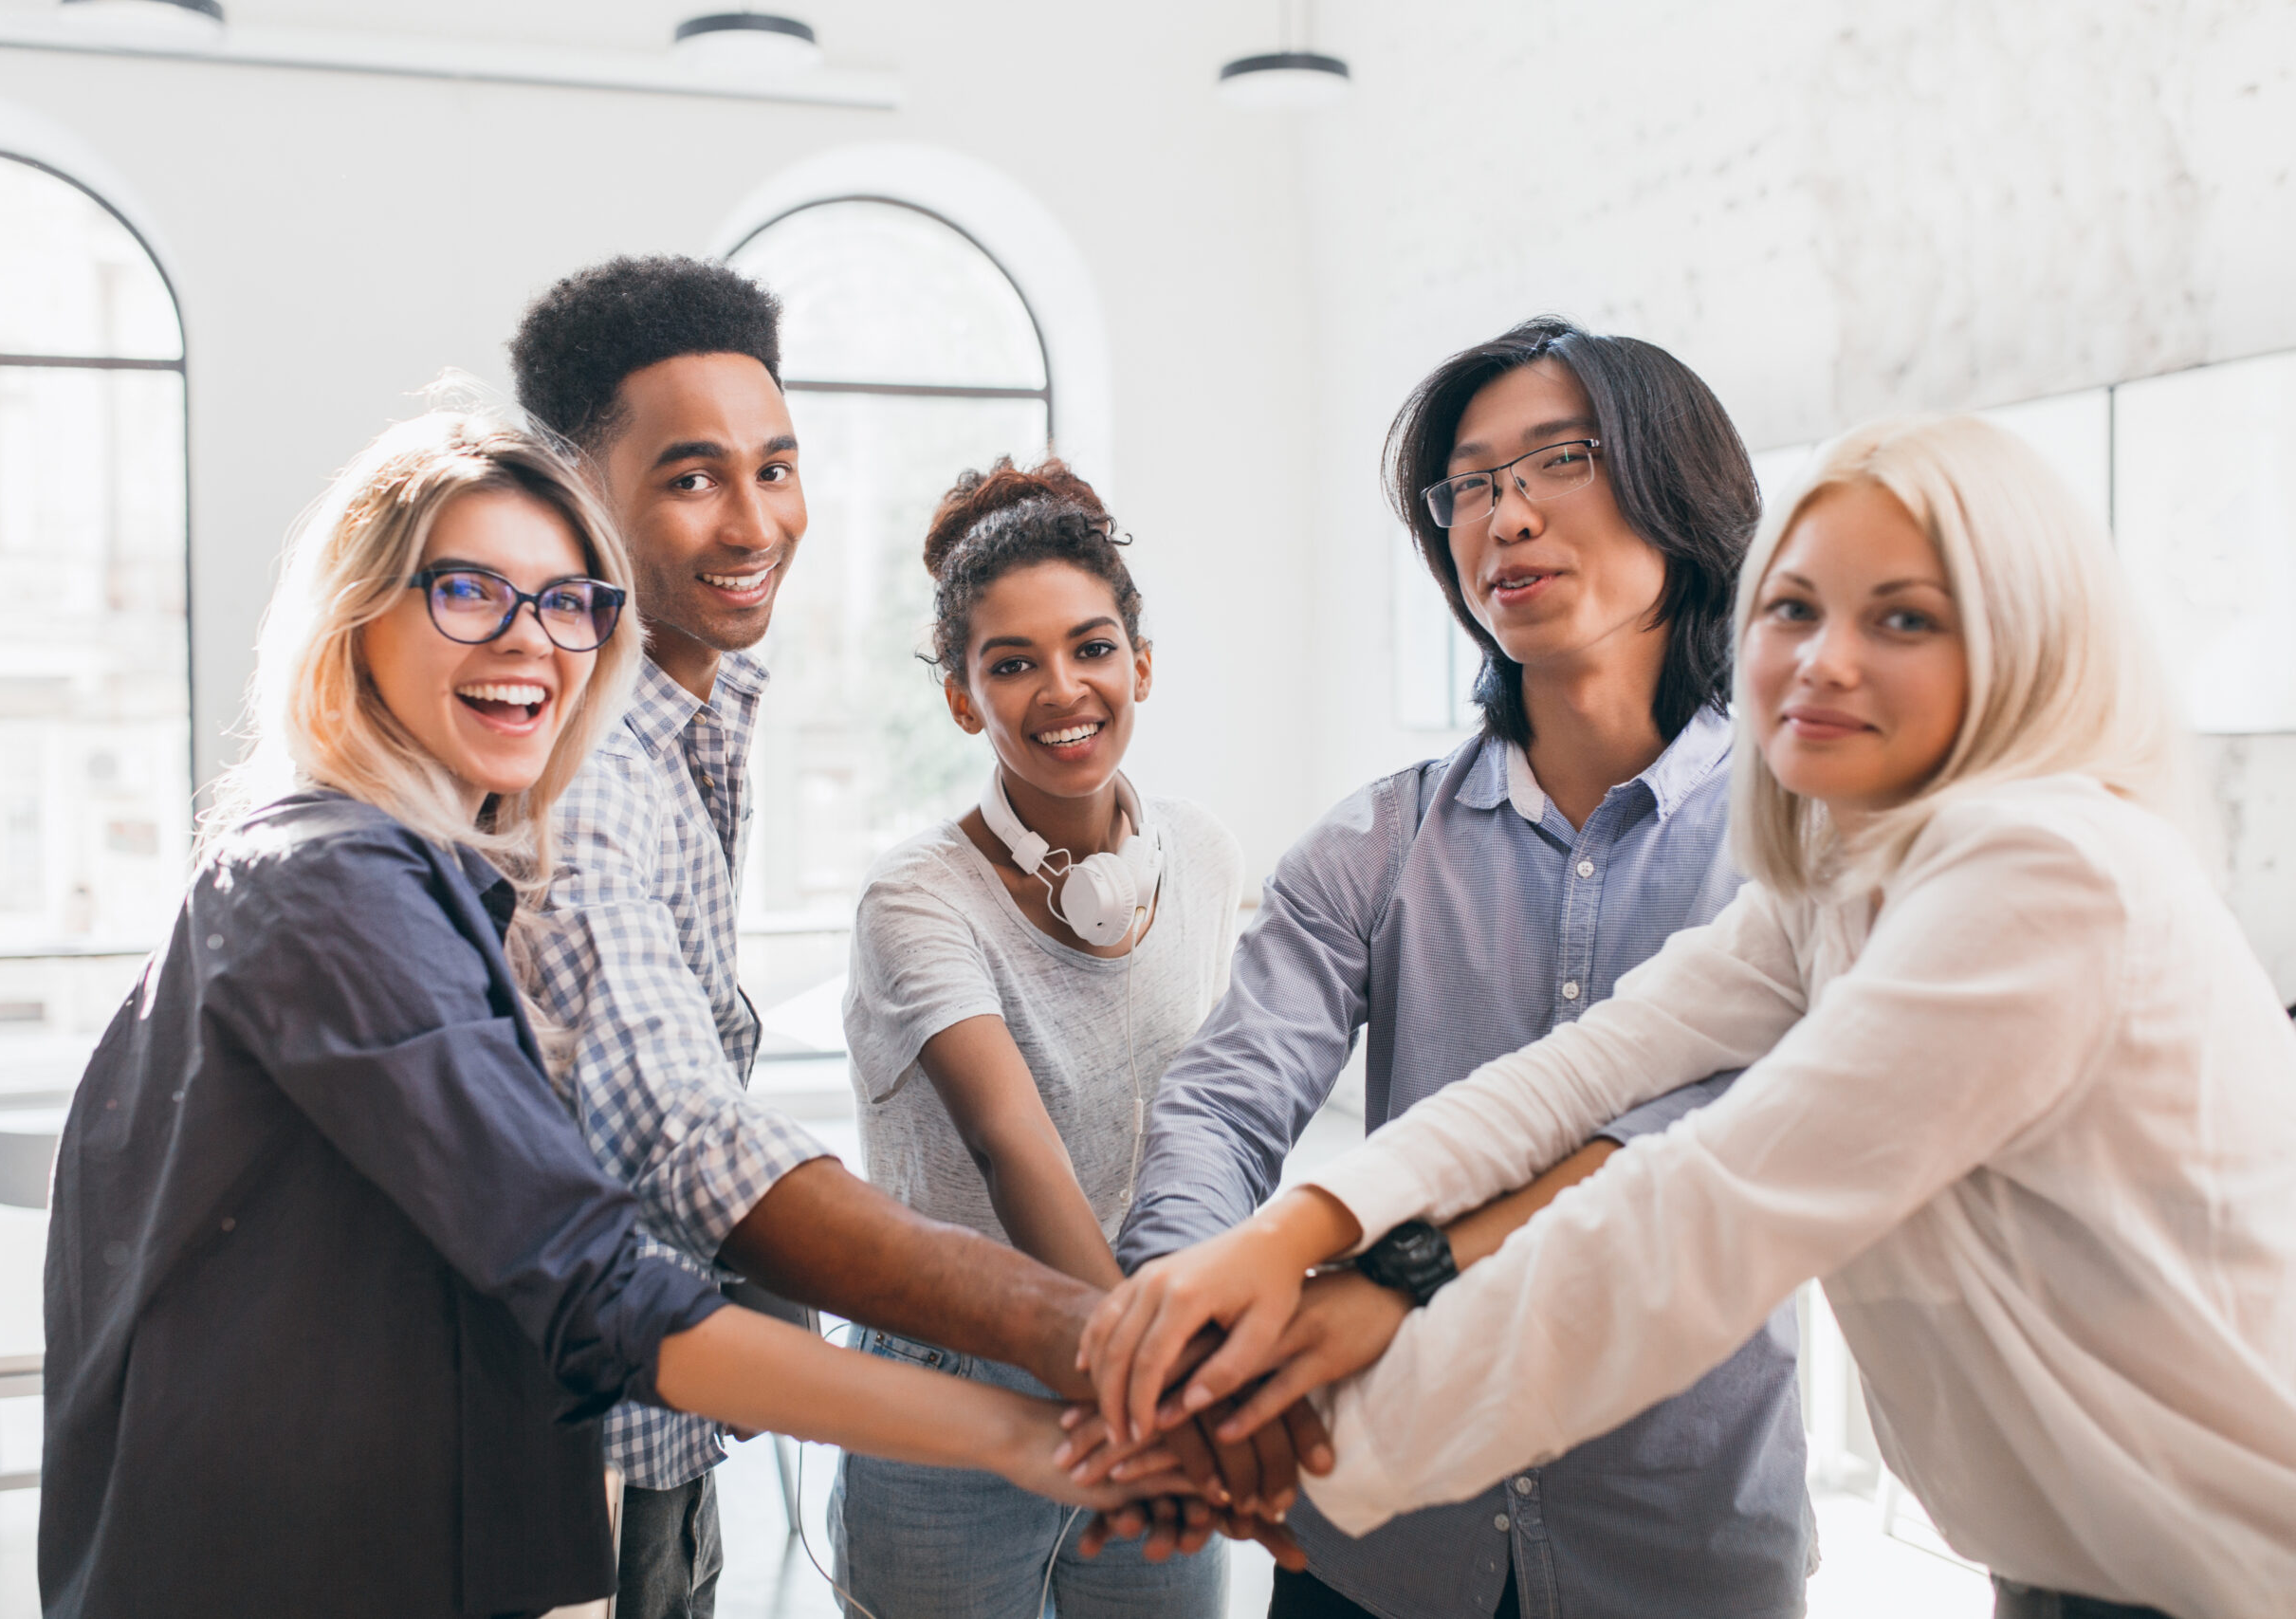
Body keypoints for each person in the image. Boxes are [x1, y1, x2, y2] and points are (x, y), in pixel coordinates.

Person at [1081, 416, 2296, 1619]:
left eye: (1905, 618)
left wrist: (1276, 1442)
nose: (1823, 660)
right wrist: (1283, 1235)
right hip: (2077, 1569)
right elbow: (1574, 1074)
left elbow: (1689, 1215)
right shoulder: (1838, 883)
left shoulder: (2039, 873)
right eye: (1796, 609)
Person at [40, 411, 1184, 1618]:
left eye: (568, 602)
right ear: (356, 615)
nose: (531, 642)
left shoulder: (405, 876)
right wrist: (1032, 1432)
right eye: (470, 592)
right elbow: (595, 1282)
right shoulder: (331, 887)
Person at [508, 257, 1313, 1615]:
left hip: (694, 1408)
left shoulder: (690, 726)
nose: (755, 517)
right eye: (693, 475)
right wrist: (1111, 1349)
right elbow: (684, 1129)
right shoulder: (593, 775)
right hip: (627, 1421)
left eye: (777, 465)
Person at [1102, 317, 1812, 1618]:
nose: (1507, 515)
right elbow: (1224, 1097)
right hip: (1380, 1533)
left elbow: (1709, 1143)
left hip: (1670, 1536)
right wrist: (1197, 1326)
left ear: (1682, 492)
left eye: (1557, 461)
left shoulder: (1801, 844)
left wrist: (1395, 1280)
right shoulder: (1377, 841)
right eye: (1472, 486)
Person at [829, 459, 1241, 1616]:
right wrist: (1145, 1393)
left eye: (1092, 647)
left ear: (1141, 664)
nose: (1062, 689)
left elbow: (1199, 1120)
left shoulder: (1203, 858)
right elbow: (1015, 1147)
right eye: (1011, 664)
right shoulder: (915, 900)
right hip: (955, 1394)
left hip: (1141, 1357)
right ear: (963, 698)